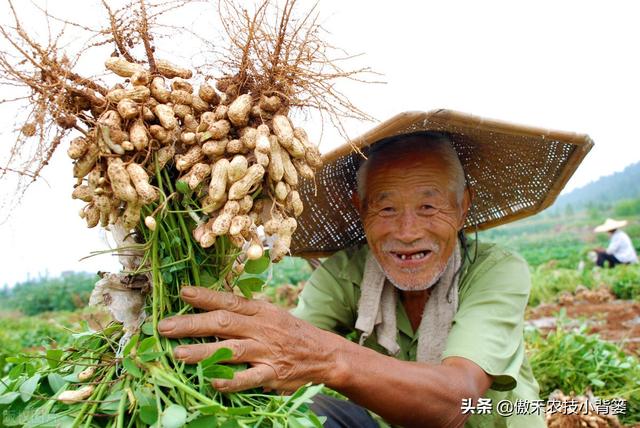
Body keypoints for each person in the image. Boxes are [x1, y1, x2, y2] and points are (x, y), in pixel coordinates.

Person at [157, 110, 593, 427]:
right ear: (360, 210)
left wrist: (328, 357)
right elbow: (285, 361)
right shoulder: (346, 273)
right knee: (298, 416)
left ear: (463, 208)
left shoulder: (496, 269)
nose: (407, 231)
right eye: (386, 208)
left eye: (428, 206)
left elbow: (456, 401)